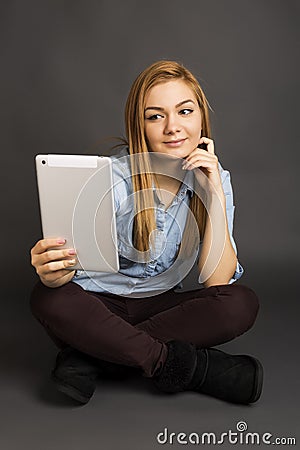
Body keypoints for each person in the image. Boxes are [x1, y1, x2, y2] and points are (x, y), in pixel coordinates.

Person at [30, 60, 263, 405]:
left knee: (240, 303)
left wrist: (212, 194)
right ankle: (184, 366)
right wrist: (52, 270)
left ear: (201, 117)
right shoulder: (110, 178)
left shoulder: (216, 179)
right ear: (138, 125)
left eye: (184, 111)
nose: (173, 127)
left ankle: (90, 355)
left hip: (160, 309)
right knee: (48, 296)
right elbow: (68, 265)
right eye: (155, 116)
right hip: (97, 306)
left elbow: (217, 282)